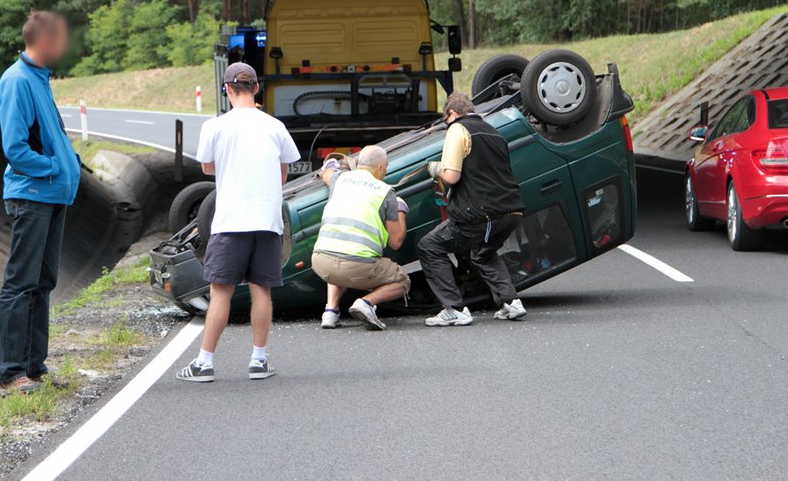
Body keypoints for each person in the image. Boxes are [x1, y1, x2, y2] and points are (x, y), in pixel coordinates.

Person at [176, 62, 299, 382]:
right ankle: (259, 360)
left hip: (231, 220)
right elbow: (284, 171)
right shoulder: (274, 126)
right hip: (267, 220)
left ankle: (204, 363)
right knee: (262, 290)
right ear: (256, 89)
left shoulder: (215, 127)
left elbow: (206, 167)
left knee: (221, 292)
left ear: (227, 90)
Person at [0, 11, 81, 393]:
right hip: (31, 195)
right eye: (60, 39)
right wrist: (51, 167)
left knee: (43, 281)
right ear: (44, 40)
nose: (64, 46)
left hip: (51, 194)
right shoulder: (17, 80)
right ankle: (11, 372)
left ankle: (34, 367)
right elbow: (15, 147)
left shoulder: (39, 78)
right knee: (21, 282)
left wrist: (68, 165)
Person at [418, 93, 528, 327]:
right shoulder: (494, 132)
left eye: (446, 121)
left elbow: (452, 176)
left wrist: (437, 169)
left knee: (430, 246)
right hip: (512, 211)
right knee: (483, 253)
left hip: (481, 213)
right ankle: (511, 303)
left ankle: (454, 309)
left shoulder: (457, 130)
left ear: (452, 114)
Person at [311, 146, 410, 331]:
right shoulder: (385, 192)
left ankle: (330, 311)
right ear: (380, 167)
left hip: (321, 262)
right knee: (402, 281)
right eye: (386, 168)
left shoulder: (340, 179)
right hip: (357, 267)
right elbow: (396, 242)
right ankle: (366, 303)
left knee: (340, 250)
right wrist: (401, 209)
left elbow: (327, 173)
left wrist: (330, 164)